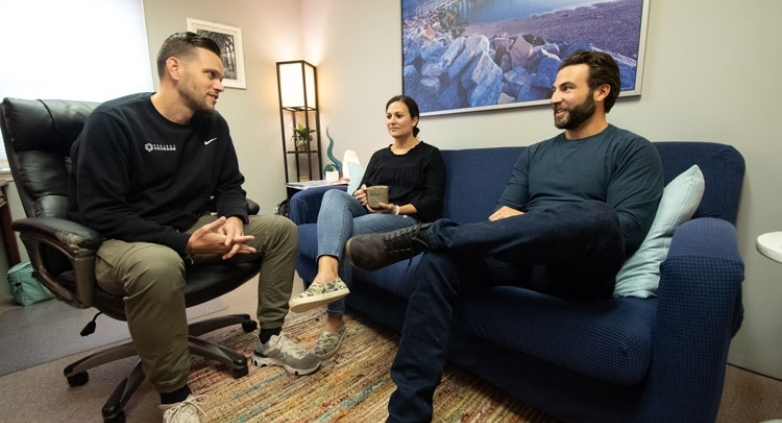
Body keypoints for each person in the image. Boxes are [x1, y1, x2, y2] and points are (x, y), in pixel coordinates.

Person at [345, 51, 665, 422]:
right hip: (521, 255)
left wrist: (544, 221)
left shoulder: (632, 150)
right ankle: (407, 414)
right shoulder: (535, 154)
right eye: (554, 87)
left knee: (598, 214)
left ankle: (430, 233)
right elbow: (502, 217)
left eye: (566, 88)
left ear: (601, 91)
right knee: (437, 264)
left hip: (578, 268)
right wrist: (528, 224)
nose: (554, 97)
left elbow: (624, 231)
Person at [67, 32, 319, 423]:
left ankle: (269, 339)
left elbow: (230, 185)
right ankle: (174, 396)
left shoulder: (212, 124)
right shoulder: (113, 123)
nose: (221, 85)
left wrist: (234, 218)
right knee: (159, 265)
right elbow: (102, 213)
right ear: (175, 68)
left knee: (281, 228)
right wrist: (186, 244)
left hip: (190, 226)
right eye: (212, 74)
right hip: (124, 239)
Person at [287, 95, 446, 359]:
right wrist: (362, 193)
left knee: (344, 233)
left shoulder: (430, 155)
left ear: (414, 120)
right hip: (369, 212)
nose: (391, 121)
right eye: (388, 116)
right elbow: (366, 186)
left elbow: (432, 201)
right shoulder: (380, 155)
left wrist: (394, 208)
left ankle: (334, 321)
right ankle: (327, 274)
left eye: (398, 115)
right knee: (333, 196)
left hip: (404, 218)